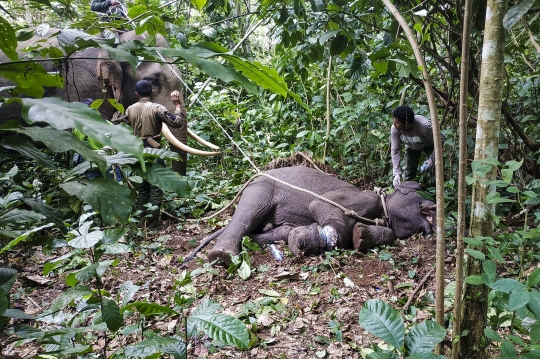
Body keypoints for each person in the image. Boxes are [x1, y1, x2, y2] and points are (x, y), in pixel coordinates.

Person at [119, 80, 185, 226]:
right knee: (156, 186)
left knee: (143, 187)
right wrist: (177, 106)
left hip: (138, 151)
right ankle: (153, 222)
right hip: (154, 151)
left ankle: (141, 221)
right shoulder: (157, 108)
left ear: (136, 94)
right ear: (152, 92)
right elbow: (177, 123)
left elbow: (123, 128)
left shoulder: (129, 109)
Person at [390, 105, 434, 187]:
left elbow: (440, 140)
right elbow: (395, 150)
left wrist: (432, 158)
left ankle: (435, 191)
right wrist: (396, 173)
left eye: (397, 123)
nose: (394, 124)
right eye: (394, 121)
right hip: (411, 147)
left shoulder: (425, 126)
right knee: (408, 173)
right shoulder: (395, 129)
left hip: (429, 144)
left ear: (406, 124)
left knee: (435, 168)